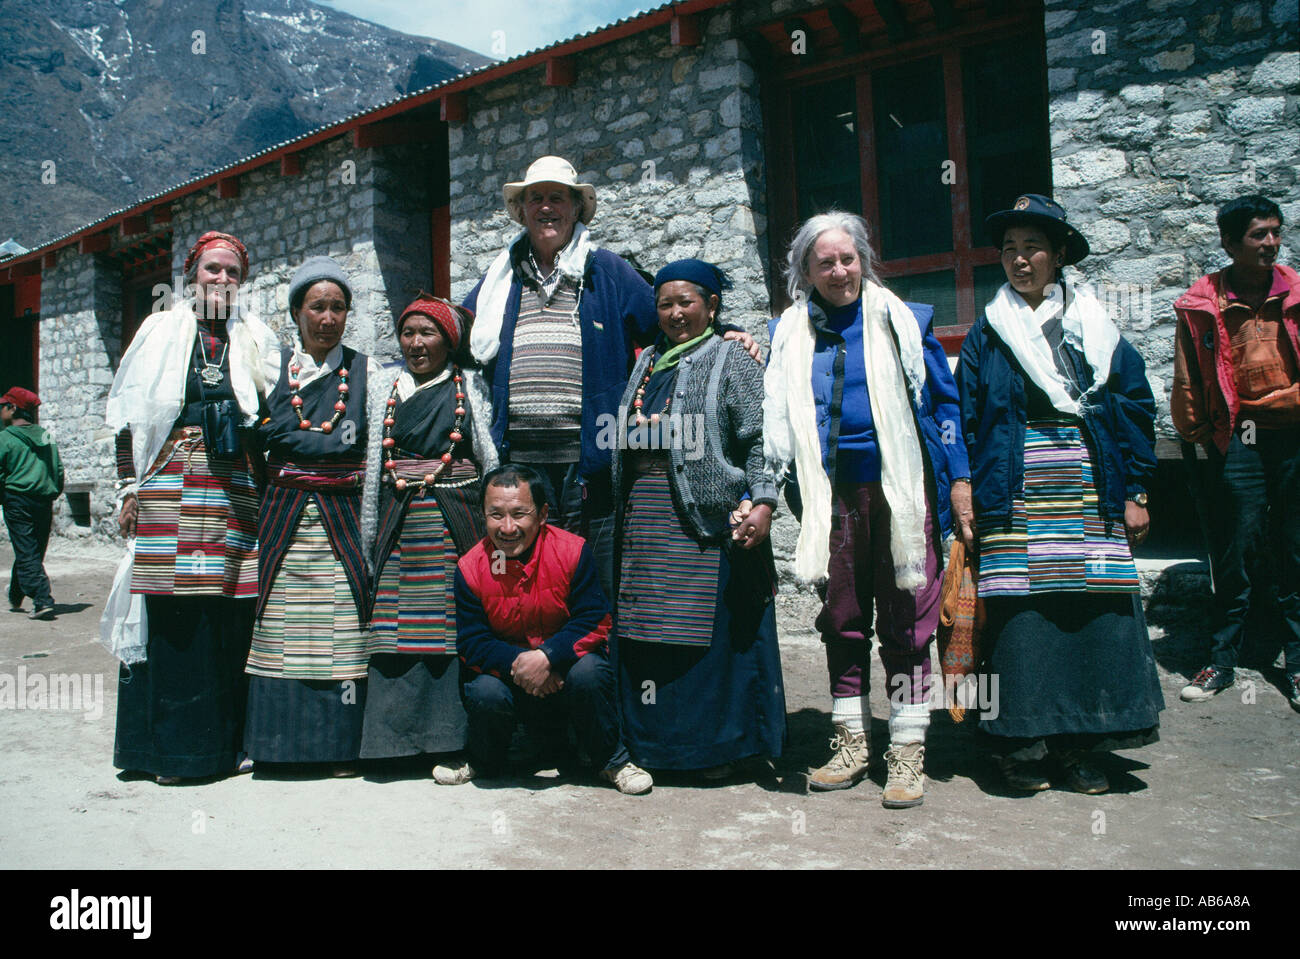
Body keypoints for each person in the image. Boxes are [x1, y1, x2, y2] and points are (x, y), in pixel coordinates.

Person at [462, 155, 757, 601]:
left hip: (590, 462)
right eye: (535, 198)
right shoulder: (499, 280)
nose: (546, 208)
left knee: (591, 579)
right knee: (525, 579)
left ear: (576, 208)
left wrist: (722, 330)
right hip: (519, 461)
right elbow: (458, 332)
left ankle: (589, 667)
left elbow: (668, 324)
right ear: (521, 210)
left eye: (556, 198)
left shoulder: (607, 271)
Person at [764, 211, 973, 808]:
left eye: (847, 258)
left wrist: (958, 477)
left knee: (908, 620)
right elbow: (775, 410)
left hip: (903, 493)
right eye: (824, 262)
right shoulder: (789, 333)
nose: (839, 270)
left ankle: (907, 750)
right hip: (832, 496)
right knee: (843, 617)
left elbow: (945, 406)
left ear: (864, 260)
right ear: (805, 271)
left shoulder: (904, 320)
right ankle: (850, 739)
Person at [957, 193, 1164, 794]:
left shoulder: (1097, 329)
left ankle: (1080, 747)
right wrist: (964, 491)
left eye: (1034, 248)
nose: (1020, 261)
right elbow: (968, 419)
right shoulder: (987, 334)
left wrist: (1138, 488)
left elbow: (1133, 407)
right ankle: (1019, 745)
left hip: (1089, 486)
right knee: (1024, 619)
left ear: (1060, 254)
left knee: (1092, 615)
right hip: (1014, 489)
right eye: (1010, 250)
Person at [107, 230, 281, 785]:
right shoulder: (159, 330)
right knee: (172, 613)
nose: (223, 280)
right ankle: (164, 752)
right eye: (213, 270)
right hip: (169, 481)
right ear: (191, 275)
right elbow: (129, 417)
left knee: (228, 612)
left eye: (233, 272)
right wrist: (127, 491)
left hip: (235, 486)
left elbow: (271, 419)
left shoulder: (257, 337)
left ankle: (221, 748)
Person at [611, 259, 785, 777]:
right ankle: (657, 747)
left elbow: (758, 438)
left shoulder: (732, 357)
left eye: (686, 301)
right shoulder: (646, 362)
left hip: (705, 523)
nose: (674, 313)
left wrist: (764, 500)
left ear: (712, 306)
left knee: (707, 640)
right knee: (649, 635)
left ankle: (715, 751)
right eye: (665, 304)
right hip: (646, 519)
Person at [242, 256, 384, 775]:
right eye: (317, 307)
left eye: (339, 307)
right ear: (296, 312)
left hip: (342, 515)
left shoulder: (368, 372)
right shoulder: (269, 369)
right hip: (283, 515)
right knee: (281, 627)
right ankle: (276, 746)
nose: (328, 318)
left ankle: (339, 748)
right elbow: (262, 437)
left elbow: (364, 442)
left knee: (341, 630)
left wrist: (298, 444)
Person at [434, 464, 652, 795]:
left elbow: (594, 619)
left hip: (567, 671)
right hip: (510, 675)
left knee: (591, 672)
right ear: (483, 516)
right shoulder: (470, 568)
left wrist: (549, 657)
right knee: (484, 692)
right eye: (496, 515)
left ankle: (613, 761)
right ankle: (484, 762)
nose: (507, 528)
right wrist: (527, 663)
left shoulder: (573, 551)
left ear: (543, 514)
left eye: (519, 514)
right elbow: (472, 642)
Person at [1172, 195, 1299, 711]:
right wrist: (1198, 431)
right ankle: (1221, 659)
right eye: (1257, 235)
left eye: (1275, 232)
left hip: (1295, 431)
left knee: (1294, 544)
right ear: (1229, 243)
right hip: (1240, 434)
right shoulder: (1203, 303)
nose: (1270, 243)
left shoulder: (1295, 292)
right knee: (1235, 545)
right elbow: (1186, 376)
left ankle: (1296, 658)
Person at [361, 294, 496, 764]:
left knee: (447, 624)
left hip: (452, 516)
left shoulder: (470, 386)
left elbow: (485, 452)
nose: (416, 344)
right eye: (408, 333)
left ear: (449, 340)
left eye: (428, 333)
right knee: (392, 628)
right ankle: (392, 744)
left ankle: (450, 741)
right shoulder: (383, 387)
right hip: (398, 516)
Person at [1, 387, 64, 620]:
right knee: (32, 549)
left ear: (13, 408)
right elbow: (57, 467)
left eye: (3, 406)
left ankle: (42, 600)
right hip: (43, 500)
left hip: (17, 499)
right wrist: (53, 490)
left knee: (27, 550)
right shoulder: (46, 435)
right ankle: (17, 593)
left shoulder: (5, 437)